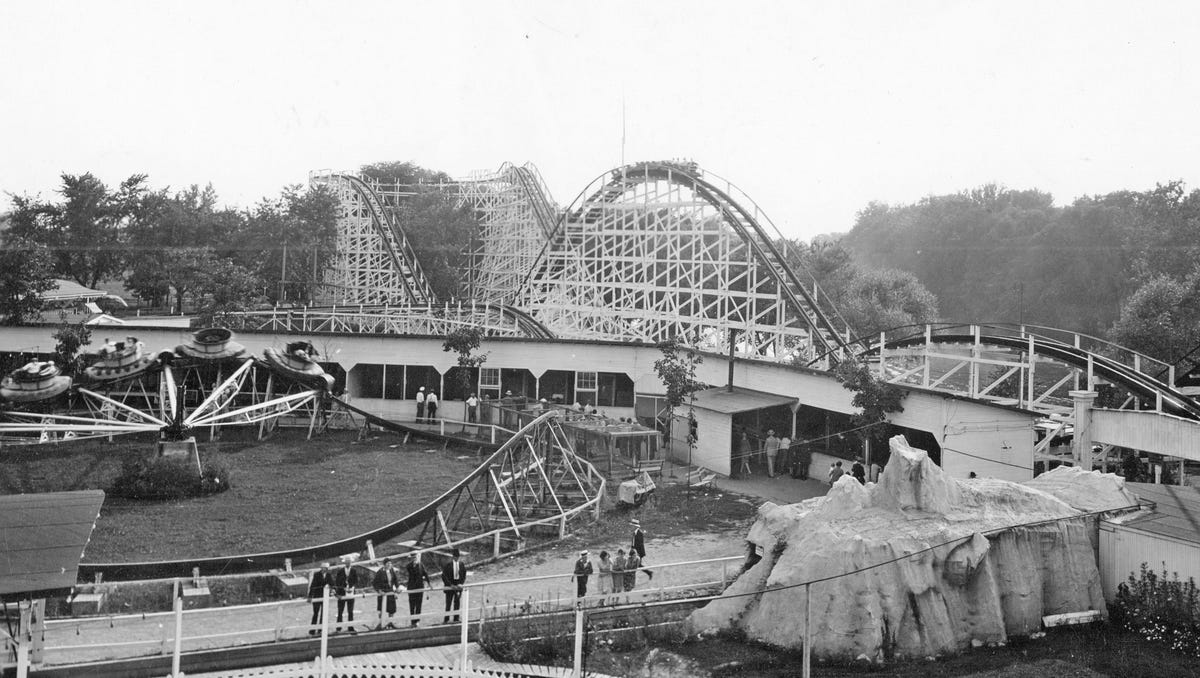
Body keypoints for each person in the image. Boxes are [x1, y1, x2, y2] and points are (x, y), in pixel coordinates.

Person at [441, 548, 467, 624]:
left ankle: (456, 618)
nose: (457, 558)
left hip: (458, 585)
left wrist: (461, 583)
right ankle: (446, 619)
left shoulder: (462, 565)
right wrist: (450, 585)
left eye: (458, 557)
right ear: (453, 557)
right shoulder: (448, 565)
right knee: (448, 603)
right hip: (450, 586)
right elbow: (443, 576)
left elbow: (464, 575)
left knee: (457, 602)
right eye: (455, 557)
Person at [372, 557, 400, 629]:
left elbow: (395, 580)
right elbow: (374, 583)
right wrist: (379, 591)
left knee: (392, 609)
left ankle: (391, 623)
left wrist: (397, 587)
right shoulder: (380, 572)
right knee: (382, 610)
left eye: (390, 563)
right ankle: (381, 624)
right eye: (388, 563)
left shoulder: (391, 570)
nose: (389, 565)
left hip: (390, 592)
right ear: (384, 564)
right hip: (383, 593)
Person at [405, 553, 431, 627]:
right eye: (413, 558)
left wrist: (429, 583)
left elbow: (425, 574)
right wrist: (414, 564)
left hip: (419, 588)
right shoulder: (409, 566)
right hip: (411, 588)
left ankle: (417, 621)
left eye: (415, 557)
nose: (414, 559)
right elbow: (410, 570)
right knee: (412, 605)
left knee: (418, 605)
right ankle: (412, 621)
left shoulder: (421, 565)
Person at [333, 560, 359, 633]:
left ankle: (350, 627)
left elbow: (356, 581)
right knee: (340, 611)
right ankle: (338, 628)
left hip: (350, 593)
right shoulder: (340, 571)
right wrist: (342, 588)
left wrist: (352, 587)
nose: (348, 563)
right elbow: (337, 582)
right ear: (345, 563)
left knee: (350, 611)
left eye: (349, 562)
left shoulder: (354, 571)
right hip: (342, 593)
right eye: (347, 562)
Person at [306, 562, 332, 636]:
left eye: (327, 568)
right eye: (324, 568)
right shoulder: (317, 575)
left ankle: (321, 629)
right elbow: (313, 585)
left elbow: (332, 583)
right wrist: (310, 596)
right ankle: (312, 629)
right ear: (322, 568)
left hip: (325, 597)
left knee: (323, 614)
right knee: (316, 613)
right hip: (317, 596)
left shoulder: (328, 575)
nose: (325, 569)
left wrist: (330, 587)